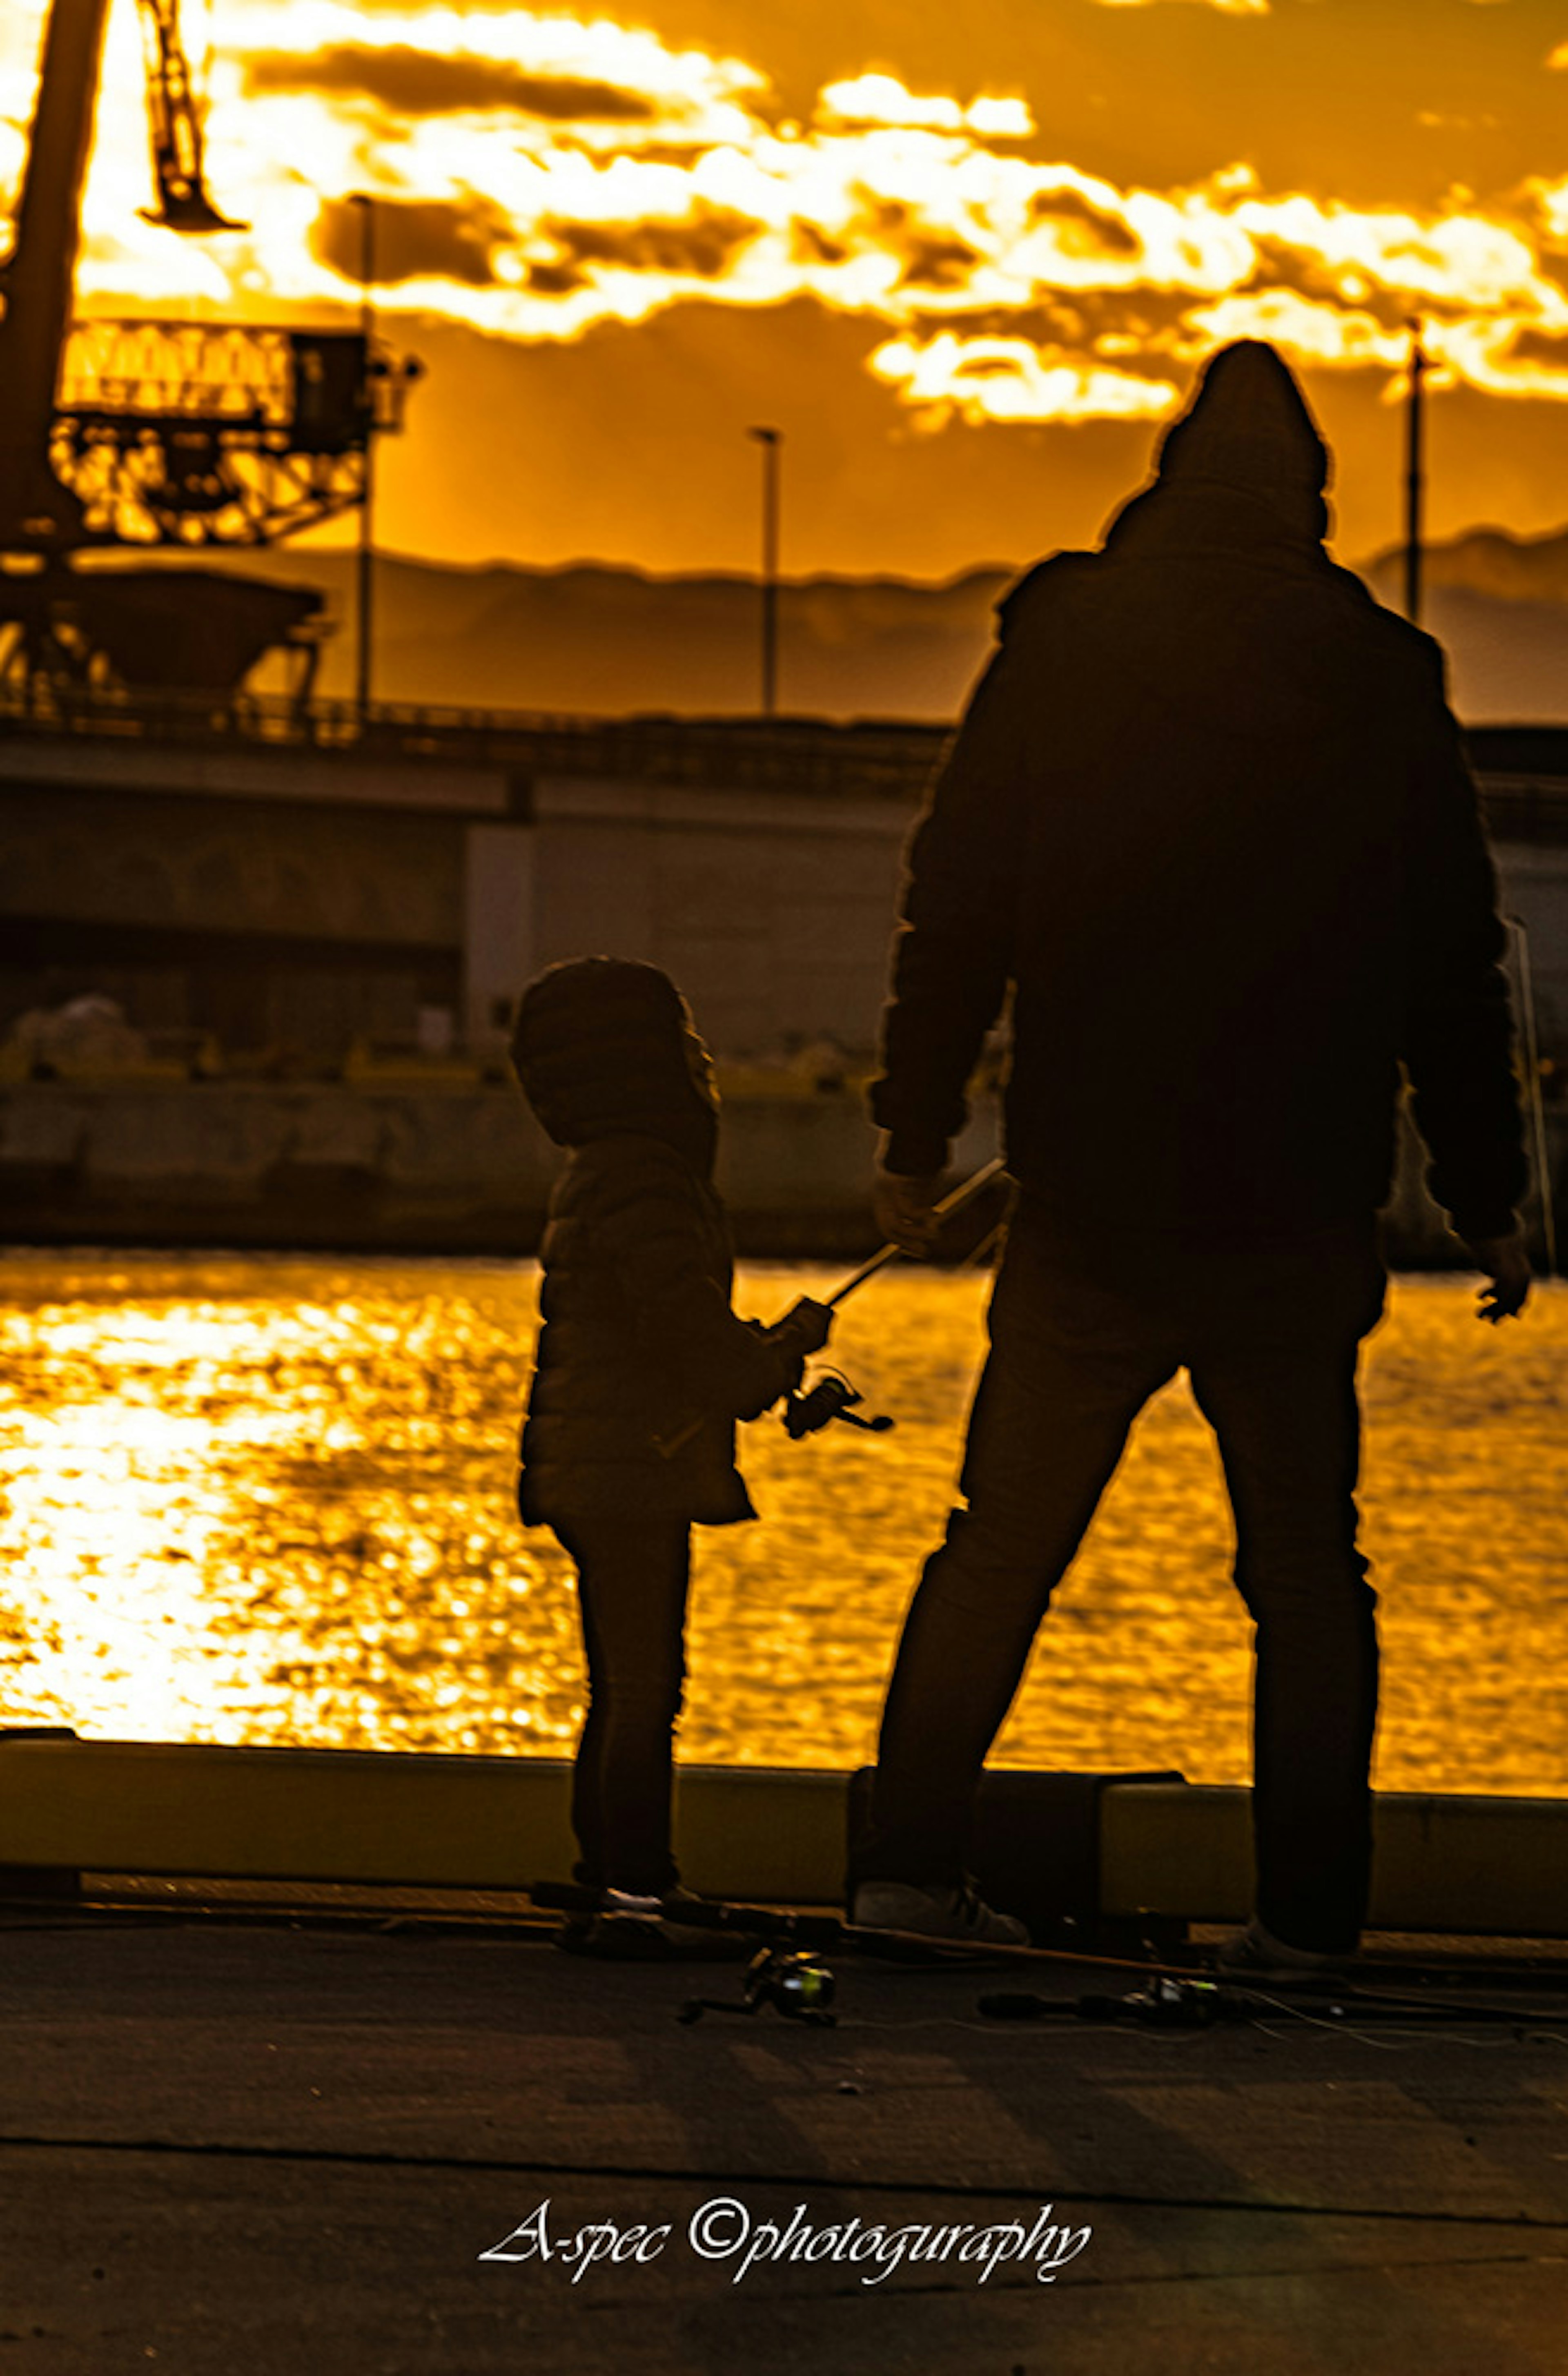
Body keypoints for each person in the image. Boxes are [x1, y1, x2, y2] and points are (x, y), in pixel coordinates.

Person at [850, 340, 1530, 1967]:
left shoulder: (1064, 633)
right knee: (1305, 1570)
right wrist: (1492, 1197)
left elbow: (961, 898)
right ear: (1311, 497)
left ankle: (903, 1871)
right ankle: (1306, 1916)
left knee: (999, 1537)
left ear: (1164, 473)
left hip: (1090, 1188)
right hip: (1296, 1201)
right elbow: (1448, 952)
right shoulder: (1382, 670)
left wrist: (912, 1131)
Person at [510, 957, 831, 1948]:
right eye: (687, 1045)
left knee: (620, 1681)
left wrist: (764, 1360)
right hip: (629, 1467)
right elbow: (689, 1341)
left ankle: (610, 1872)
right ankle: (638, 1891)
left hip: (595, 1458)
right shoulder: (648, 1173)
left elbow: (666, 1324)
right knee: (647, 1684)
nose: (702, 1064)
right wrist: (781, 1353)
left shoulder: (600, 1167)